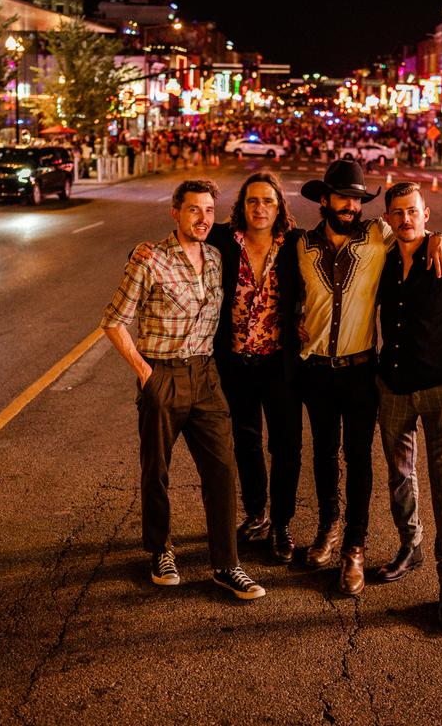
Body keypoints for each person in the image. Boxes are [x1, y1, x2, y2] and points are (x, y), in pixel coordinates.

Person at [100, 179, 265, 601]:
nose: (203, 218)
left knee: (222, 469)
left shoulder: (214, 257)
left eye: (209, 210)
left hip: (206, 376)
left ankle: (226, 564)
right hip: (163, 375)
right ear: (175, 212)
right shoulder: (150, 257)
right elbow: (114, 320)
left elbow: (270, 231)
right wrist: (144, 372)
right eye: (194, 209)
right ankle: (160, 550)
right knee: (156, 470)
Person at [297, 160, 442, 597]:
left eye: (358, 199)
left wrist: (438, 235)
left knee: (359, 458)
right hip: (316, 371)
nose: (350, 206)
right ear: (324, 200)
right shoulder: (302, 245)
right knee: (324, 454)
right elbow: (288, 290)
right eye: (343, 197)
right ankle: (328, 526)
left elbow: (413, 234)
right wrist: (294, 319)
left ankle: (354, 547)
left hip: (360, 370)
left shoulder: (376, 236)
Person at [375, 181, 442, 631]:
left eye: (413, 212)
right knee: (400, 476)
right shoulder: (381, 261)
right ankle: (410, 545)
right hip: (395, 388)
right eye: (398, 212)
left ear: (426, 213)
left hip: (441, 391)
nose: (406, 219)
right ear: (389, 218)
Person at [209, 173, 303, 564]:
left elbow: (355, 234)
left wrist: (435, 237)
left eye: (267, 200)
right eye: (252, 201)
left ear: (279, 205)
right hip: (236, 364)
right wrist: (143, 251)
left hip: (280, 364)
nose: (259, 208)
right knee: (245, 443)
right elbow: (184, 231)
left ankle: (281, 524)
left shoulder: (296, 243)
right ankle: (257, 514)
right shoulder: (222, 239)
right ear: (242, 206)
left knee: (286, 446)